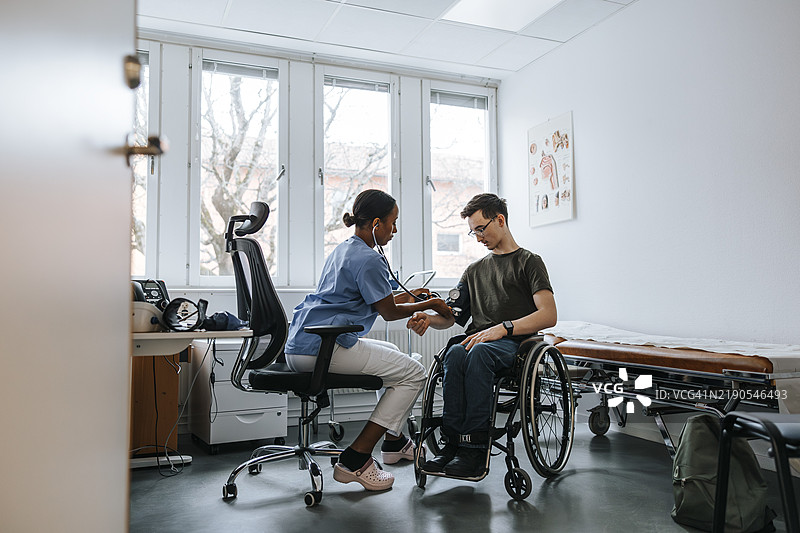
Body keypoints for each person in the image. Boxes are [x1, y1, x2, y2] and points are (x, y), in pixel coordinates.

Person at [284, 189, 452, 491]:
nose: (395, 230)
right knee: (415, 372)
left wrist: (417, 296)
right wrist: (429, 305)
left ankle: (394, 441)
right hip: (323, 346)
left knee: (396, 355)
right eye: (393, 223)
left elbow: (380, 298)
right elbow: (388, 311)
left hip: (303, 343)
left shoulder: (346, 249)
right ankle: (356, 459)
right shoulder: (368, 259)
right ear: (376, 223)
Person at [406, 193, 557, 478]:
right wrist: (429, 318)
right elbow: (452, 318)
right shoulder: (474, 271)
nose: (477, 238)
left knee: (477, 354)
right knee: (454, 353)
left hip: (514, 343)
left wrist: (504, 327)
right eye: (473, 232)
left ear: (499, 220)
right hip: (480, 340)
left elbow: (548, 315)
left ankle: (474, 448)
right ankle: (452, 443)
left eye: (480, 229)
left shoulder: (529, 262)